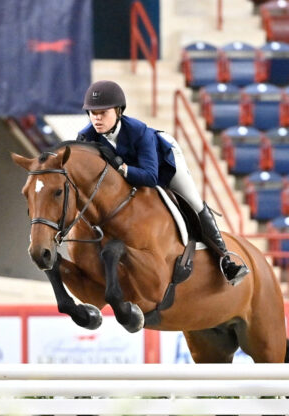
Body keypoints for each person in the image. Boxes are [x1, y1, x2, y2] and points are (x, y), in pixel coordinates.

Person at [76, 80, 249, 286]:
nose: (96, 118)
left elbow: (151, 177)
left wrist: (122, 169)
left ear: (119, 111)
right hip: (134, 172)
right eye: (92, 113)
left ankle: (226, 261)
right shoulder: (86, 138)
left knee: (193, 202)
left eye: (103, 112)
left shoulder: (141, 133)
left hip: (164, 163)